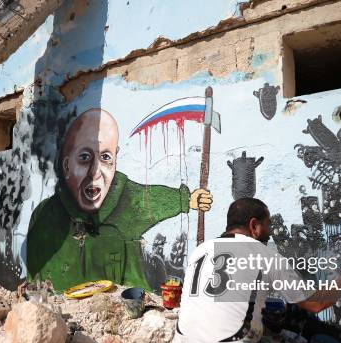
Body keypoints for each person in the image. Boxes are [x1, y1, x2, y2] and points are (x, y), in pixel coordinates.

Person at [171, 197, 341, 343]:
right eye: (268, 224)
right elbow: (315, 304)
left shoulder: (200, 251)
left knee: (257, 332)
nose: (271, 231)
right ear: (254, 226)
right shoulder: (265, 255)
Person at [27, 108, 213, 291]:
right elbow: (34, 279)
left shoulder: (126, 197)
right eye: (84, 158)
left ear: (116, 159)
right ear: (67, 165)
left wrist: (188, 199)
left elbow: (151, 198)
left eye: (106, 157)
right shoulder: (46, 217)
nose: (95, 172)